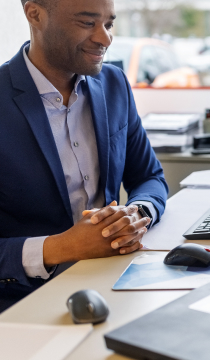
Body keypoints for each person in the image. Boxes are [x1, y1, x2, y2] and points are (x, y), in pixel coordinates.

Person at [0, 0, 168, 311]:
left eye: (109, 24)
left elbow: (149, 177)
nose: (105, 38)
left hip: (114, 280)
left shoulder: (114, 83)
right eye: (87, 23)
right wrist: (59, 247)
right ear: (35, 14)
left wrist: (137, 214)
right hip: (23, 303)